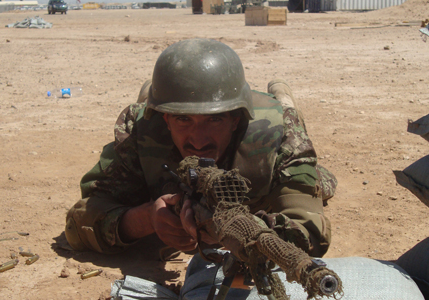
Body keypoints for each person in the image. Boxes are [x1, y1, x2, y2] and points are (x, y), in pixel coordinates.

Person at [64, 38, 336, 257]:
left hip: (269, 143)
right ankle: (151, 94)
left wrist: (233, 230)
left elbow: (311, 232)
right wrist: (147, 218)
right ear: (166, 118)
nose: (198, 139)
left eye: (214, 119)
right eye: (183, 119)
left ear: (235, 119)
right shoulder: (140, 132)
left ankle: (281, 92)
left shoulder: (280, 135)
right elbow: (80, 221)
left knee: (323, 183)